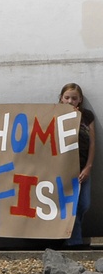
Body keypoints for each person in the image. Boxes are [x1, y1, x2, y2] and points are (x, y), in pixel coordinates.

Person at [59, 83, 96, 247]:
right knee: (68, 205)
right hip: (63, 169)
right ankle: (74, 242)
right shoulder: (54, 114)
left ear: (80, 99)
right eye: (67, 97)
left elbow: (93, 143)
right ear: (61, 98)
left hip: (81, 168)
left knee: (83, 204)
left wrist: (88, 166)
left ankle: (72, 239)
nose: (70, 101)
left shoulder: (86, 116)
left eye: (74, 98)